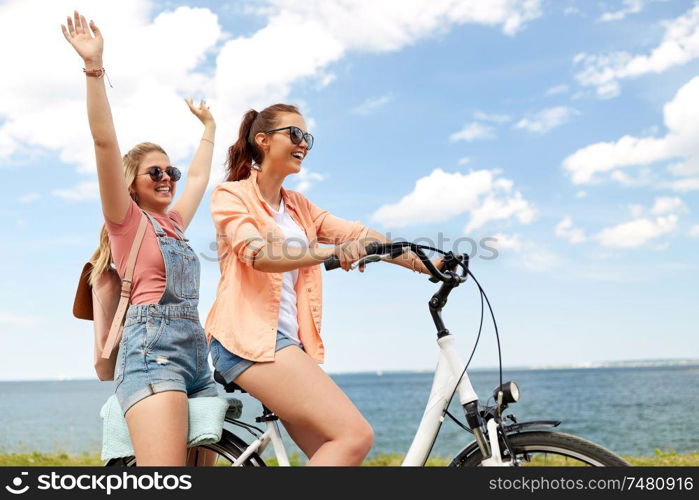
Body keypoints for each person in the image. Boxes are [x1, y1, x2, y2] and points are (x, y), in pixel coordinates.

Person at [206, 103, 442, 465]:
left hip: (287, 344)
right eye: (295, 134)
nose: (303, 143)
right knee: (354, 436)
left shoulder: (298, 206)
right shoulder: (231, 196)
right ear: (263, 140)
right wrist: (331, 252)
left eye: (308, 138)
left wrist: (429, 264)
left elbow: (360, 235)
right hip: (246, 340)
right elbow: (257, 253)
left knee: (333, 454)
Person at [62, 11, 218, 466]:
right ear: (133, 183)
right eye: (157, 172)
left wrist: (208, 129)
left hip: (196, 357)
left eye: (171, 171)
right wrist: (94, 68)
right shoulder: (126, 220)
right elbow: (104, 143)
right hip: (151, 357)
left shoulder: (174, 223)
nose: (168, 178)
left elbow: (200, 178)